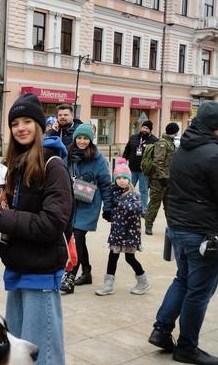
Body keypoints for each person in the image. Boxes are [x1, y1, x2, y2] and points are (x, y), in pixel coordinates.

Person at [0, 93, 73, 365]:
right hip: (17, 267)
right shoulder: (16, 165)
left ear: (40, 126)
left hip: (40, 271)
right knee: (18, 353)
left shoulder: (54, 166)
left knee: (43, 355)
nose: (21, 128)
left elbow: (50, 223)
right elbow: (13, 215)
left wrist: (0, 218)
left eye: (28, 121)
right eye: (15, 123)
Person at [149, 102, 218, 365]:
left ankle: (161, 331)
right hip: (205, 234)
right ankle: (187, 347)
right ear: (216, 126)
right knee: (198, 292)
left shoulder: (184, 150)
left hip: (180, 229)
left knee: (182, 280)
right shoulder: (216, 155)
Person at [60, 123, 112, 294]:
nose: (82, 141)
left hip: (88, 204)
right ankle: (87, 272)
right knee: (76, 240)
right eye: (79, 138)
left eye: (86, 138)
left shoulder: (98, 159)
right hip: (70, 204)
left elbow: (105, 184)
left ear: (91, 140)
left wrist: (108, 207)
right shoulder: (67, 154)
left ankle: (70, 278)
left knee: (77, 236)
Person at [95, 159, 149, 296]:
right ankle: (108, 285)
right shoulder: (114, 192)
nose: (121, 180)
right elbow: (107, 199)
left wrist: (119, 204)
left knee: (129, 258)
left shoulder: (133, 195)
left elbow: (137, 208)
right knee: (112, 256)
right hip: (117, 233)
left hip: (130, 234)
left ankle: (143, 281)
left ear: (129, 179)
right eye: (118, 178)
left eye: (124, 178)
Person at [144, 122, 179, 235]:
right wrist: (163, 177)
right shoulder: (163, 144)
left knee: (169, 205)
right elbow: (158, 162)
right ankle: (148, 225)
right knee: (154, 204)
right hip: (157, 180)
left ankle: (172, 226)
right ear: (174, 131)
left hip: (168, 179)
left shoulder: (171, 143)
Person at [122, 120, 157, 212]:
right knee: (128, 188)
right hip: (132, 168)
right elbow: (127, 150)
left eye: (147, 128)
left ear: (150, 130)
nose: (144, 130)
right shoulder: (133, 138)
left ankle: (143, 209)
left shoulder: (154, 140)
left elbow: (156, 156)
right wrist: (123, 161)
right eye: (143, 127)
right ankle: (126, 206)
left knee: (143, 190)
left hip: (144, 171)